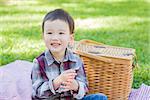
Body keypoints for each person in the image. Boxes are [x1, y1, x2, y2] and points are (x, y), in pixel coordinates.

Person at [31, 8, 107, 100]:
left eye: (61, 33)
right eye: (50, 33)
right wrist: (56, 82)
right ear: (43, 37)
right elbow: (37, 92)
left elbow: (85, 87)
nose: (55, 37)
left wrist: (76, 86)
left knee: (100, 98)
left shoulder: (76, 60)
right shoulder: (39, 62)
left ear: (70, 38)